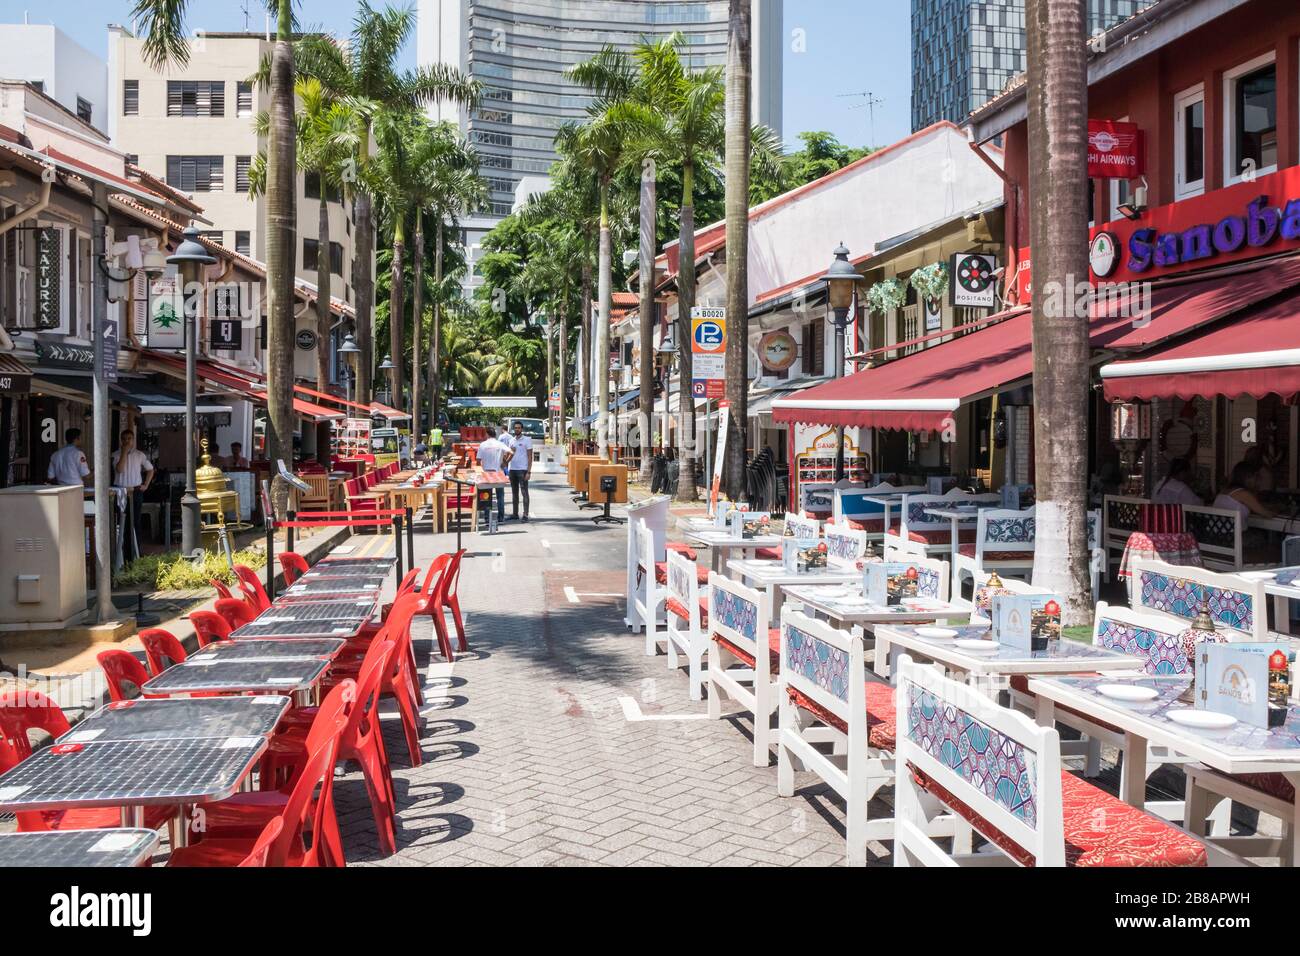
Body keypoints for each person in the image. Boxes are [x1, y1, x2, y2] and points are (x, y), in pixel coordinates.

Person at [111, 429, 154, 562]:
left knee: (135, 521)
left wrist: (146, 485)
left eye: (129, 438)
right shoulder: (116, 455)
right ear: (121, 440)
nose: (127, 441)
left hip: (135, 491)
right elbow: (119, 469)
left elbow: (150, 469)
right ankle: (122, 552)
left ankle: (136, 552)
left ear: (133, 440)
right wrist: (124, 452)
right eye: (124, 438)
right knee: (120, 522)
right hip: (119, 490)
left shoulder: (139, 455)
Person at [475, 426, 513, 524]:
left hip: (487, 473)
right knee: (500, 496)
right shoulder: (500, 444)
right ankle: (501, 517)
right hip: (498, 473)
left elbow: (478, 460)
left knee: (486, 496)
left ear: (487, 434)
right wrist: (505, 462)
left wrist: (480, 470)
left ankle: (487, 518)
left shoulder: (483, 445)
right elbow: (511, 452)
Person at [508, 419, 533, 522]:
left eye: (519, 428)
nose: (517, 429)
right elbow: (509, 455)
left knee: (524, 492)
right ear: (514, 429)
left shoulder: (527, 440)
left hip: (522, 470)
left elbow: (530, 457)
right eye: (516, 428)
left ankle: (525, 515)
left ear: (522, 429)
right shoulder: (511, 440)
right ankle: (515, 514)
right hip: (512, 469)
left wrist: (528, 471)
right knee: (514, 493)